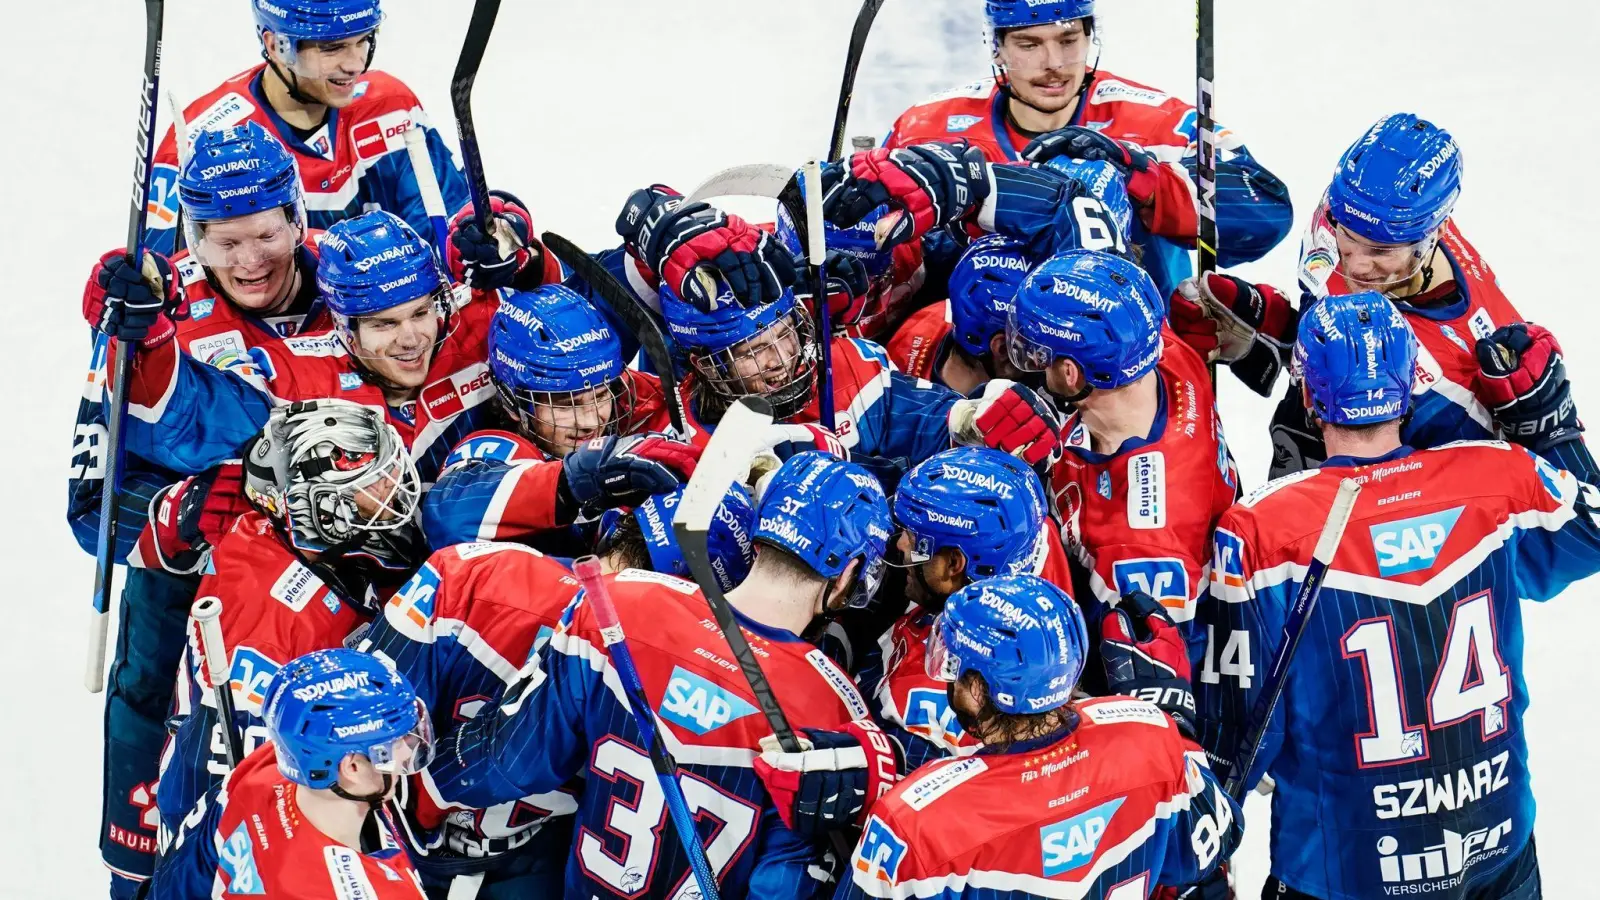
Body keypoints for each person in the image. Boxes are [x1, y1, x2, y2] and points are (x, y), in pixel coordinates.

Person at [1195, 291, 1600, 899]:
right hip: (1498, 849)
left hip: (1348, 869)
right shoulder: (1499, 476)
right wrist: (1555, 426)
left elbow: (1235, 743)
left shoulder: (1261, 530)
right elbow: (1592, 530)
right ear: (1413, 384)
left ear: (1308, 397)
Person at [425, 452, 895, 898]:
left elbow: (509, 757)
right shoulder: (833, 703)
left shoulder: (624, 603)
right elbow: (783, 882)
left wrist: (417, 796)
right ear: (850, 572)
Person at [71, 121, 333, 896]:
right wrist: (176, 516)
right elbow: (90, 507)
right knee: (159, 846)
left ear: (298, 218)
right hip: (183, 607)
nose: (249, 261)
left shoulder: (354, 290)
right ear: (191, 235)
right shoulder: (145, 317)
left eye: (265, 235)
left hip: (327, 597)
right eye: (222, 243)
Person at [834, 574, 1242, 898]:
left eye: (954, 663)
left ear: (978, 690)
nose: (946, 673)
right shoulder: (1149, 736)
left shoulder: (914, 823)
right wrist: (1175, 726)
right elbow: (1214, 841)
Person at [753, 447, 1076, 840]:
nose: (900, 543)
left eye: (912, 535)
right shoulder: (1026, 555)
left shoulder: (935, 689)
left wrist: (888, 759)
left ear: (955, 563)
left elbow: (977, 794)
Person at [154, 400, 426, 848]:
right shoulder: (268, 625)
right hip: (236, 837)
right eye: (373, 483)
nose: (392, 487)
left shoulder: (289, 541)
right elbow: (236, 778)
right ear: (320, 510)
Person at [882, 0, 1291, 297]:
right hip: (973, 363)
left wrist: (1143, 177)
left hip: (1127, 359)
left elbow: (1266, 211)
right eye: (1029, 44)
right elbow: (879, 260)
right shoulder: (926, 127)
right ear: (997, 48)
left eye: (1068, 39)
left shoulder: (1156, 122)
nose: (1054, 63)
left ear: (1091, 36)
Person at [82, 210, 499, 486]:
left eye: (420, 313)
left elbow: (555, 312)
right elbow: (184, 419)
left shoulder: (467, 327)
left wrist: (521, 254)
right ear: (344, 328)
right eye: (383, 324)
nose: (411, 338)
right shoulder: (290, 375)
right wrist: (146, 337)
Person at [1005, 249, 1236, 659]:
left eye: (1038, 353)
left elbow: (1148, 674)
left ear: (1071, 373)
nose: (1031, 362)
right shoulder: (1164, 355)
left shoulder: (1139, 544)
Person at [143, 0, 468, 256]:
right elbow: (164, 292)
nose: (354, 63)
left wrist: (495, 233)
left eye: (363, 40)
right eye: (332, 47)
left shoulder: (390, 107)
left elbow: (453, 230)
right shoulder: (202, 144)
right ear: (275, 45)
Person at [418, 285, 696, 551]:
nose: (589, 420)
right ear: (513, 403)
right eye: (566, 404)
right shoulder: (495, 448)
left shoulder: (630, 398)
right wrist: (571, 481)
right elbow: (445, 518)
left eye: (600, 395)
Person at [150, 649, 434, 899]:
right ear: (353, 768)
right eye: (396, 742)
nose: (407, 752)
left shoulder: (262, 769)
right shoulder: (364, 892)